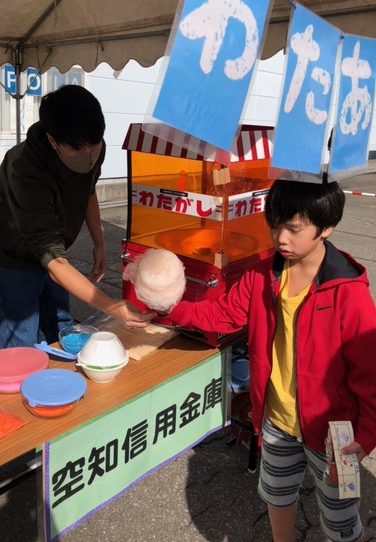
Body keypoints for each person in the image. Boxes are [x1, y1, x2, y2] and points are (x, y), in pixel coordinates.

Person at [160, 178, 376, 542]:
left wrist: (367, 436)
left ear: (327, 228)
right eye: (274, 225)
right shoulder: (264, 273)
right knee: (276, 494)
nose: (281, 238)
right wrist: (166, 307)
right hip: (275, 419)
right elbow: (223, 316)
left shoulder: (349, 296)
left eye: (293, 228)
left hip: (335, 433)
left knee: (339, 518)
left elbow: (369, 377)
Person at [0, 84, 153, 349]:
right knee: (22, 343)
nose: (88, 156)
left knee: (63, 329)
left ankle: (61, 384)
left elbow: (89, 192)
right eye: (77, 149)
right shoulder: (25, 170)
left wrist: (99, 244)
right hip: (13, 254)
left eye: (93, 146)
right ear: (52, 140)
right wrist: (111, 306)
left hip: (54, 250)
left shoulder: (92, 145)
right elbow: (54, 262)